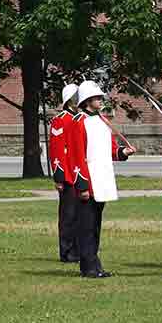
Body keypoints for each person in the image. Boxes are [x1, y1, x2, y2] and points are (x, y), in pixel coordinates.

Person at [66, 81, 135, 278]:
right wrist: (82, 185)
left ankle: (95, 264)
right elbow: (76, 156)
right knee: (86, 226)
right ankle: (88, 267)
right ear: (87, 100)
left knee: (95, 225)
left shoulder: (103, 121)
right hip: (88, 182)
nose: (100, 100)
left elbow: (110, 150)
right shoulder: (78, 122)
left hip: (102, 180)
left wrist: (123, 152)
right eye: (97, 98)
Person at [48, 83, 80, 263]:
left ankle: (78, 248)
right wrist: (59, 177)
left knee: (80, 215)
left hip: (79, 173)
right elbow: (57, 151)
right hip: (67, 174)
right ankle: (67, 251)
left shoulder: (79, 119)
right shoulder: (61, 120)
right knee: (68, 215)